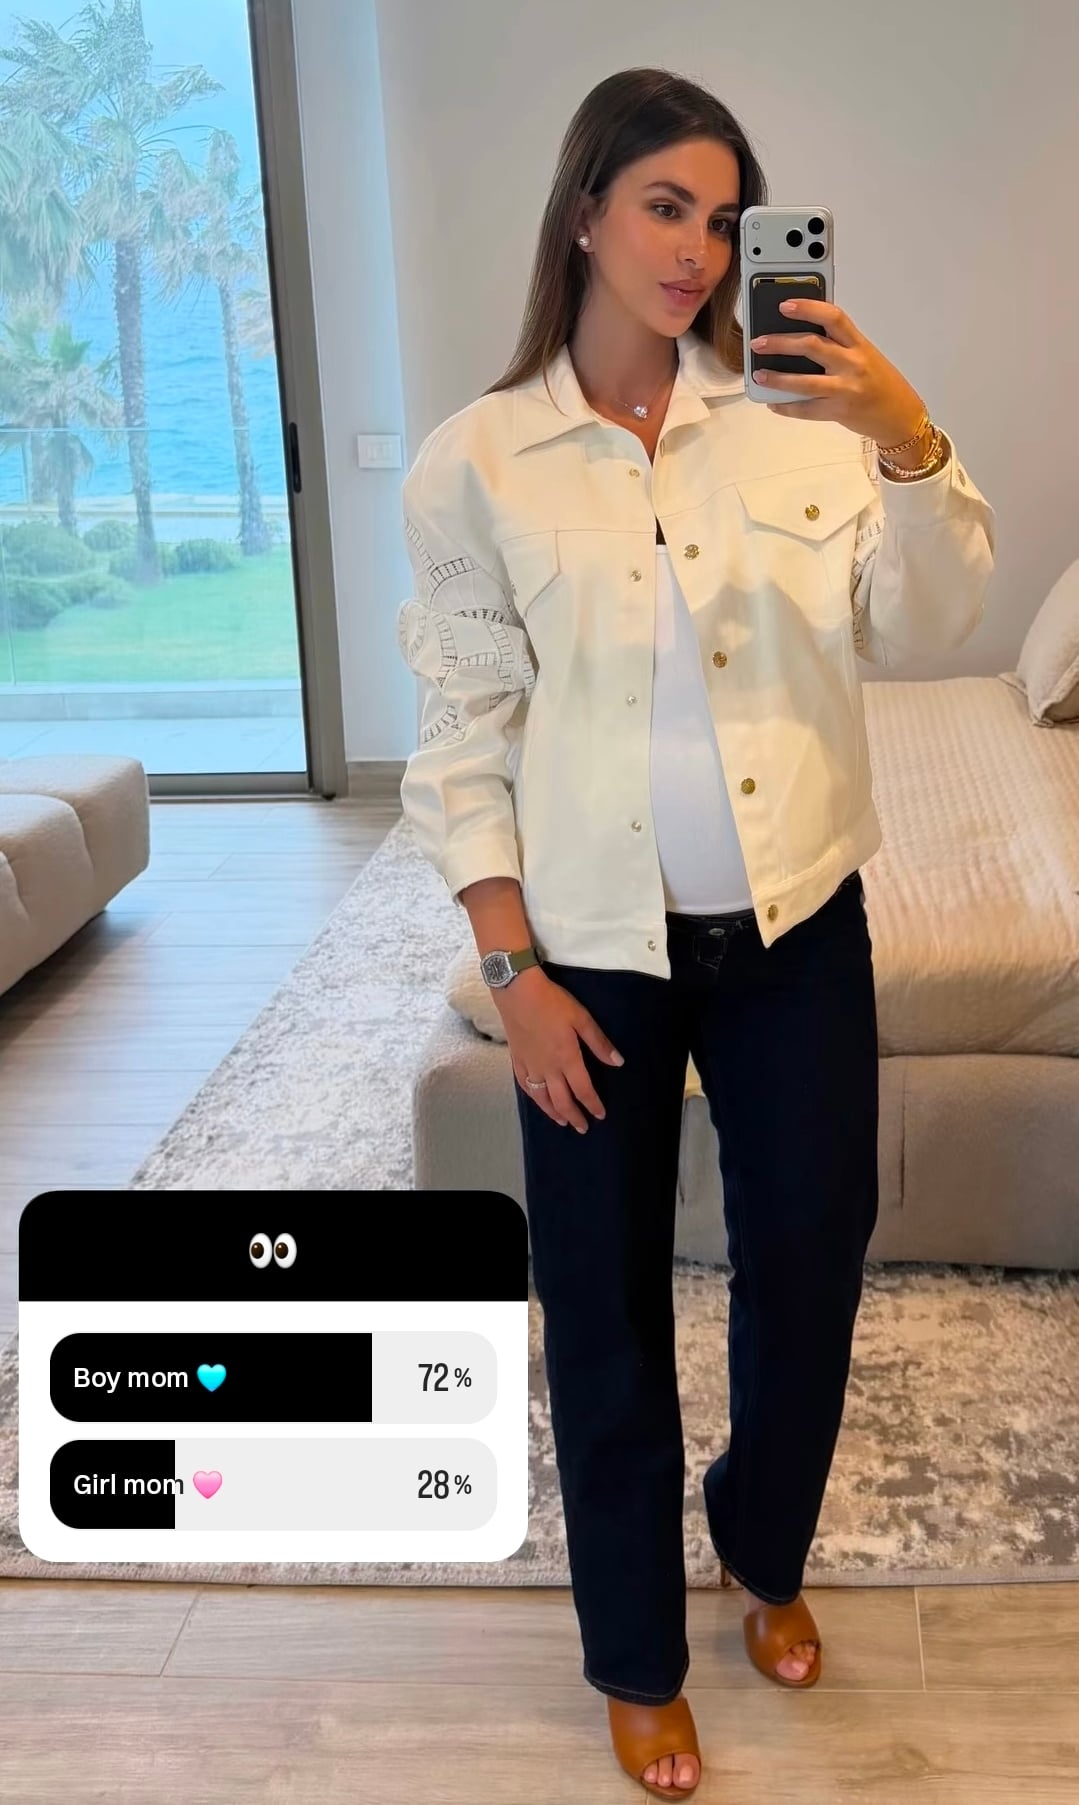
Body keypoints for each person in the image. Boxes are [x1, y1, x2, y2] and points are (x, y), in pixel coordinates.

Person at [395, 67, 995, 1801]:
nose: (700, 250)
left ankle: (761, 1534)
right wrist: (510, 971)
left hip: (795, 925)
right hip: (588, 951)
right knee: (599, 1296)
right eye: (665, 205)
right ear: (585, 210)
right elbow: (463, 732)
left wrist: (910, 433)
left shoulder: (805, 423)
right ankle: (635, 1652)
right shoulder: (477, 463)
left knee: (812, 1250)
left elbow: (929, 623)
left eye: (726, 220)